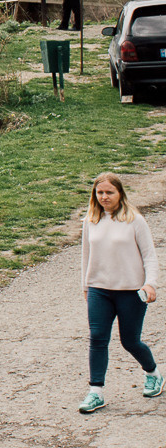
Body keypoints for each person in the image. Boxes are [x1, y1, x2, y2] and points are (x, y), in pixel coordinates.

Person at [78, 171, 162, 413]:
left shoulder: (134, 220)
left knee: (130, 341)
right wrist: (86, 286)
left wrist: (150, 284)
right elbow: (86, 256)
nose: (104, 197)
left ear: (119, 193)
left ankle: (153, 374)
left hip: (131, 291)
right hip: (99, 290)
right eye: (100, 192)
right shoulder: (90, 220)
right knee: (97, 338)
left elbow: (149, 256)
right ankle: (96, 392)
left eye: (109, 192)